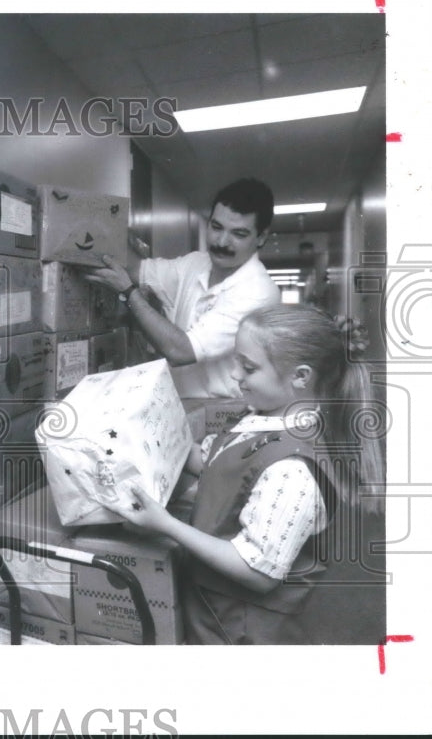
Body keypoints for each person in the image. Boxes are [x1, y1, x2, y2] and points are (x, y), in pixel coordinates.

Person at [104, 305, 382, 644]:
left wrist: (165, 524)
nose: (235, 374)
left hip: (240, 631)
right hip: (211, 607)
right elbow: (214, 460)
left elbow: (256, 571)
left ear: (301, 376)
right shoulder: (262, 418)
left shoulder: (293, 470)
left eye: (248, 367)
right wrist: (140, 434)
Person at [80, 177, 280, 398]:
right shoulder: (195, 264)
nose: (222, 242)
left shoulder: (258, 291)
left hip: (226, 412)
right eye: (216, 227)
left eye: (238, 234)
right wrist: (103, 223)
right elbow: (137, 269)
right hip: (183, 405)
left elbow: (181, 351)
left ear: (261, 237)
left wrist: (128, 293)